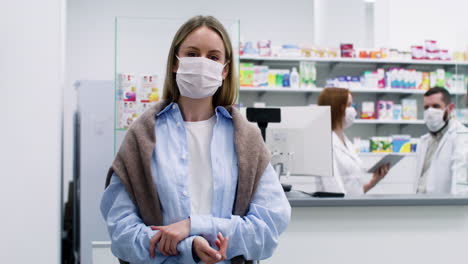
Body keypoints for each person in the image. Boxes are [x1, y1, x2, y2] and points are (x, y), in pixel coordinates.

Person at [100, 15, 291, 264]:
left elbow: (268, 228)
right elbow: (121, 233)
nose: (202, 63)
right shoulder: (143, 135)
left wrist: (194, 226)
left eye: (213, 57)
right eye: (191, 54)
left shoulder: (246, 139)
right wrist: (187, 247)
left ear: (224, 70)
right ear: (175, 63)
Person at [318, 87, 389, 195]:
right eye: (349, 105)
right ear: (337, 108)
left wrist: (373, 181)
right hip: (338, 210)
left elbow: (354, 191)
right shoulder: (324, 144)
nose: (353, 110)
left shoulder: (347, 143)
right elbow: (334, 192)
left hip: (353, 208)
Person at [415, 87, 467, 194]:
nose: (430, 111)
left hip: (444, 208)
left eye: (436, 106)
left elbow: (460, 182)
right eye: (426, 107)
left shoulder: (461, 136)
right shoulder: (424, 141)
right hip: (420, 205)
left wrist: (458, 208)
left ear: (450, 108)